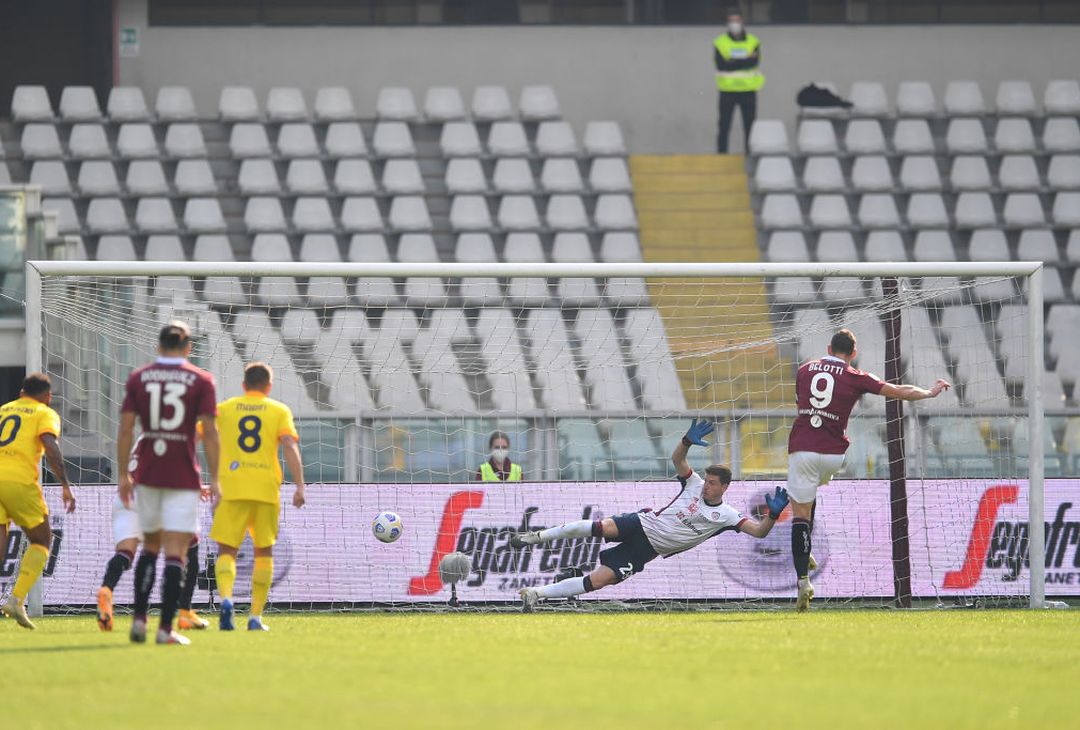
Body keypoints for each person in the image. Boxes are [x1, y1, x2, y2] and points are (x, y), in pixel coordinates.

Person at [513, 419, 788, 611]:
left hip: (647, 550)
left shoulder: (727, 515)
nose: (706, 485)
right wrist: (686, 442)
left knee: (599, 581)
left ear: (725, 487)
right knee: (601, 527)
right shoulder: (693, 484)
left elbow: (759, 532)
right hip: (642, 523)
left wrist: (773, 515)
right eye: (706, 480)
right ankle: (536, 537)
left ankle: (536, 594)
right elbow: (678, 460)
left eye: (713, 483)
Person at [786, 329, 951, 611]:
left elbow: (800, 402)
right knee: (811, 492)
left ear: (828, 348)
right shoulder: (856, 376)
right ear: (853, 353)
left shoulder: (804, 370)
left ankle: (803, 580)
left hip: (803, 447)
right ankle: (807, 548)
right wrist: (929, 392)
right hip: (834, 455)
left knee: (799, 512)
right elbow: (899, 391)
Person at [117, 321, 219, 646]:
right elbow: (211, 433)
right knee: (176, 552)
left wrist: (123, 474)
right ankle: (165, 630)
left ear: (158, 346)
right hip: (183, 477)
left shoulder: (139, 377)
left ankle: (138, 620)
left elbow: (126, 429)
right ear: (189, 348)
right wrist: (216, 478)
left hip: (148, 474)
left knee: (150, 547)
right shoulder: (201, 380)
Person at [210, 362, 305, 632]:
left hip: (232, 488)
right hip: (265, 489)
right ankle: (255, 617)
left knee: (227, 550)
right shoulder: (279, 410)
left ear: (244, 385)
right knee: (264, 552)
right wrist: (300, 486)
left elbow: (202, 436)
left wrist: (209, 477)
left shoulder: (224, 409)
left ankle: (226, 599)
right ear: (268, 386)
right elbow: (289, 445)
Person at [95, 455, 208, 632]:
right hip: (154, 494)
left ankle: (107, 590)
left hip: (126, 495)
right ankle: (184, 613)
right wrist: (196, 486)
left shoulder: (142, 442)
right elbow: (180, 464)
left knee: (125, 553)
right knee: (189, 546)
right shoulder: (178, 439)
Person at [0, 373, 75, 629]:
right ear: (48, 397)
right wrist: (64, 485)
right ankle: (16, 599)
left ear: (21, 393)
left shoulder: (3, 410)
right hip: (19, 481)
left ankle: (15, 601)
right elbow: (50, 445)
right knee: (42, 540)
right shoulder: (44, 413)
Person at [713, 8, 764, 154]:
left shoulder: (753, 41)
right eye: (731, 21)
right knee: (724, 126)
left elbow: (753, 63)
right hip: (727, 91)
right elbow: (721, 65)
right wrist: (745, 59)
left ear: (742, 22)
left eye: (737, 20)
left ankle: (749, 157)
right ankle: (722, 156)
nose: (734, 24)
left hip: (748, 91)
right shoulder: (720, 42)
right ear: (727, 23)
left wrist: (732, 61)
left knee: (750, 127)